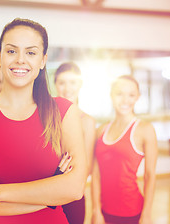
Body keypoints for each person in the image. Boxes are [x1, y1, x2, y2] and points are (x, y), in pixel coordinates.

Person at [0, 18, 87, 224]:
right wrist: (50, 195)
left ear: (42, 61)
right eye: (11, 51)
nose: (20, 60)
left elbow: (75, 188)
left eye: (31, 53)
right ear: (0, 55)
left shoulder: (63, 112)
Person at [91, 75, 157, 224]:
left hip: (132, 211)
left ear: (137, 98)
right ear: (111, 95)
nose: (125, 100)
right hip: (104, 210)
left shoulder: (145, 130)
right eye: (119, 93)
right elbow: (95, 174)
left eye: (131, 95)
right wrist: (96, 210)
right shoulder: (101, 130)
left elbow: (150, 175)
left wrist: (146, 215)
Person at [54, 62, 96, 224]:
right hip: (44, 196)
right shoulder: (46, 118)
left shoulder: (87, 121)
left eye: (73, 82)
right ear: (55, 84)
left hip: (73, 197)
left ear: (80, 84)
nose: (67, 88)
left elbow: (87, 168)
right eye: (62, 82)